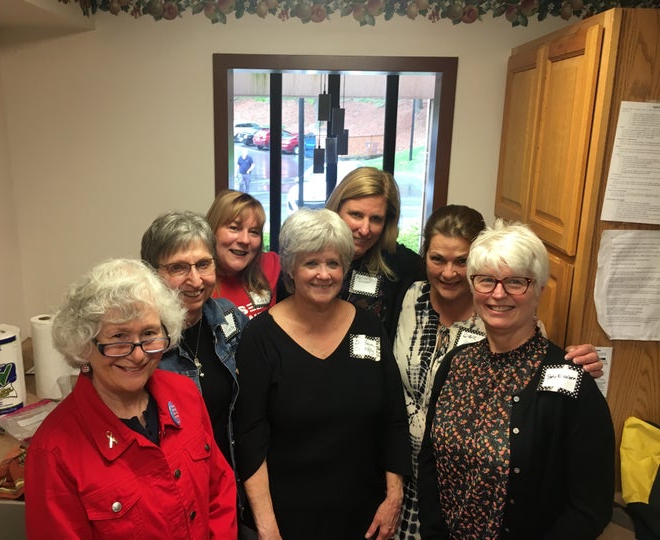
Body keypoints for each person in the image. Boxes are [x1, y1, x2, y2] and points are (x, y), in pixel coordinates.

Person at [392, 205, 604, 539]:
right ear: (474, 286)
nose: (498, 294)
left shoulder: (570, 381)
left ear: (539, 290)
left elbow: (589, 509)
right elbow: (431, 461)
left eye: (516, 282)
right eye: (487, 280)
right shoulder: (457, 362)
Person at [25, 259, 237, 539]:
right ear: (85, 343)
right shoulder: (53, 452)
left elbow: (219, 489)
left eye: (149, 334)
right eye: (119, 337)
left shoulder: (184, 394)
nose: (137, 354)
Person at [233, 208, 411, 540]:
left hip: (366, 515)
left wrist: (393, 496)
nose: (323, 274)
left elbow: (393, 415)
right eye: (311, 263)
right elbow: (250, 437)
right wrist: (267, 527)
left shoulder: (368, 327)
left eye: (333, 263)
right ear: (290, 267)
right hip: (289, 518)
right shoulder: (261, 338)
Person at [141, 210, 249, 467]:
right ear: (152, 273)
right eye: (178, 267)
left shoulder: (229, 318)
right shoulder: (144, 342)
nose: (195, 280)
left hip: (233, 474)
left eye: (203, 264)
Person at [323, 166, 424, 339]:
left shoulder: (401, 263)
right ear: (336, 210)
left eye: (376, 219)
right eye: (356, 215)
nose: (364, 230)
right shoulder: (307, 253)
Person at [207, 190, 281, 319]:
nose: (245, 240)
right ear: (212, 231)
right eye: (234, 228)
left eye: (254, 232)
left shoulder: (272, 264)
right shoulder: (197, 282)